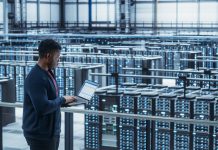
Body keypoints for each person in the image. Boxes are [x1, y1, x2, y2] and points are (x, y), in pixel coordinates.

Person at [22, 39, 75, 150]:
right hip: (40, 135)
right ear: (48, 56)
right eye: (57, 58)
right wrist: (62, 100)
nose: (58, 61)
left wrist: (67, 101)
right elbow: (43, 108)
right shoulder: (36, 78)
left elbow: (51, 99)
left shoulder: (48, 72)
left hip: (50, 132)